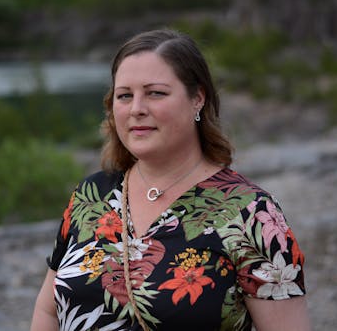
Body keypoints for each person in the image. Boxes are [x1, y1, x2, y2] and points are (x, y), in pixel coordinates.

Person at [30, 28, 310, 331]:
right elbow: (48, 311)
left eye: (155, 93)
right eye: (125, 96)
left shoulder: (253, 214)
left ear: (197, 99)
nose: (137, 109)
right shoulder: (90, 196)